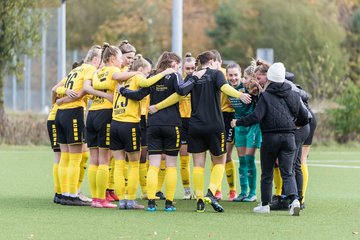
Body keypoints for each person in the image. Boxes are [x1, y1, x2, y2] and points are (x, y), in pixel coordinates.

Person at [152, 50, 251, 212]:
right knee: (220, 159)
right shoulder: (216, 74)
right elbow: (226, 87)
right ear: (212, 61)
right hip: (214, 125)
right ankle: (211, 192)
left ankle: (199, 200)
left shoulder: (193, 77)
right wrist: (240, 95)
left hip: (195, 126)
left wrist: (157, 106)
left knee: (198, 164)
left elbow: (178, 95)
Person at [231, 62, 309, 216]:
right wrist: (295, 125)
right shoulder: (294, 94)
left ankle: (265, 204)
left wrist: (238, 122)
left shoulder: (265, 96)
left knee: (267, 173)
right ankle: (294, 201)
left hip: (270, 138)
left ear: (269, 78)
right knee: (288, 172)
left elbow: (256, 116)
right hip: (289, 138)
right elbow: (304, 116)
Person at [53, 45, 102, 206]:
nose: (100, 65)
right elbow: (82, 92)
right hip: (73, 113)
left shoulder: (75, 70)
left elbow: (56, 89)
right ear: (95, 59)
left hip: (60, 114)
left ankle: (62, 194)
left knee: (65, 157)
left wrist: (60, 98)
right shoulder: (89, 69)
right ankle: (72, 195)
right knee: (75, 158)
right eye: (100, 60)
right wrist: (65, 97)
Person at [226, 62, 261, 203]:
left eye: (236, 75)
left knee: (249, 158)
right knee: (241, 160)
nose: (233, 78)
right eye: (230, 75)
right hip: (238, 127)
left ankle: (252, 193)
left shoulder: (248, 87)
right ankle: (243, 192)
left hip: (252, 126)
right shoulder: (227, 88)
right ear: (227, 76)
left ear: (241, 76)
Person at [210, 50, 237, 201]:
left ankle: (232, 190)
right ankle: (216, 190)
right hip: (214, 117)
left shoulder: (222, 74)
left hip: (228, 117)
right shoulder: (207, 75)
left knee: (225, 155)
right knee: (214, 155)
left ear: (218, 63)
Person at [179, 52, 196, 200]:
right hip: (182, 122)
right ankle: (186, 190)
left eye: (192, 68)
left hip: (195, 121)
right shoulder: (179, 83)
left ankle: (199, 190)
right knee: (184, 158)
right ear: (183, 69)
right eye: (187, 68)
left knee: (198, 158)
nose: (190, 71)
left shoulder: (198, 83)